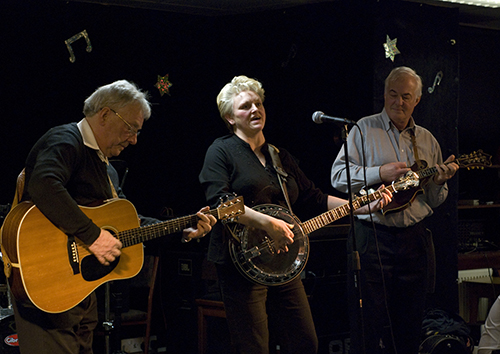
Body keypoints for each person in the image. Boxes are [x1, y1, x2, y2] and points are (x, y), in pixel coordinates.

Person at [8, 80, 217, 354]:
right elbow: (44, 184)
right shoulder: (66, 140)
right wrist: (93, 237)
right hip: (47, 283)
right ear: (105, 115)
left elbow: (129, 224)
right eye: (131, 128)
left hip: (80, 294)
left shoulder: (108, 170)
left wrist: (183, 229)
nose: (134, 139)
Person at [198, 75, 392, 354]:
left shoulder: (279, 155)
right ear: (230, 118)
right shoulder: (220, 151)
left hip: (283, 261)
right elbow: (222, 203)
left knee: (304, 342)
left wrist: (363, 205)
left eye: (258, 103)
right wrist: (269, 224)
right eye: (245, 107)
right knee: (254, 347)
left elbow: (315, 197)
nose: (254, 110)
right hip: (242, 264)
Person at [330, 66, 459, 354]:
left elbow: (435, 201)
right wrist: (380, 172)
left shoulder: (427, 140)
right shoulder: (364, 128)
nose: (398, 102)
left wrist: (438, 183)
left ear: (417, 101)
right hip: (372, 238)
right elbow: (338, 176)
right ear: (384, 95)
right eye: (392, 94)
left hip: (414, 242)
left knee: (409, 326)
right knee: (367, 325)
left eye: (405, 96)